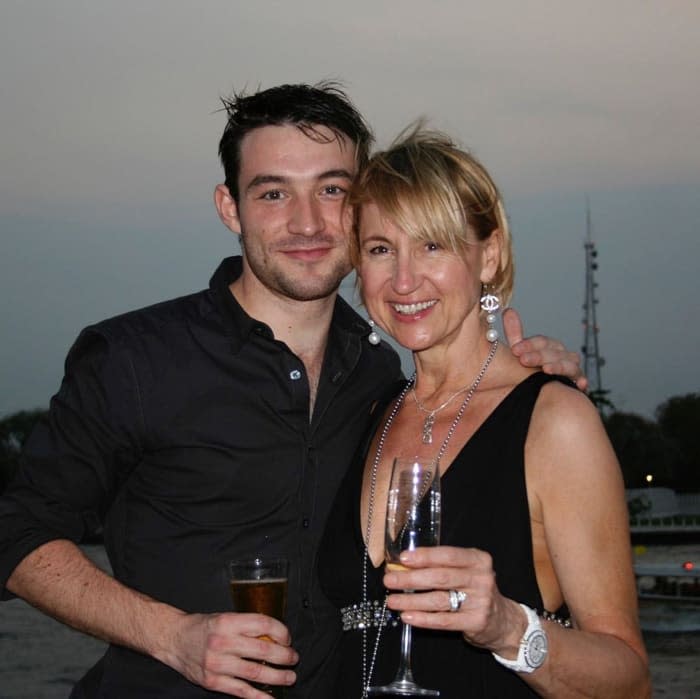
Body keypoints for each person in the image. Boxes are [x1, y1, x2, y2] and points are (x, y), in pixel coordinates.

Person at [0, 83, 584, 699]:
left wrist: (520, 373)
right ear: (231, 208)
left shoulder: (382, 378)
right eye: (273, 192)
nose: (306, 222)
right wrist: (174, 636)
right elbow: (16, 534)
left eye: (332, 190)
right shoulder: (134, 360)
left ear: (363, 206)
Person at [319, 126, 651, 697]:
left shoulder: (554, 423)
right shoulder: (369, 411)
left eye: (432, 245)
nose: (403, 279)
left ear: (489, 256)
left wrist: (506, 627)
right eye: (380, 249)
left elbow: (630, 679)